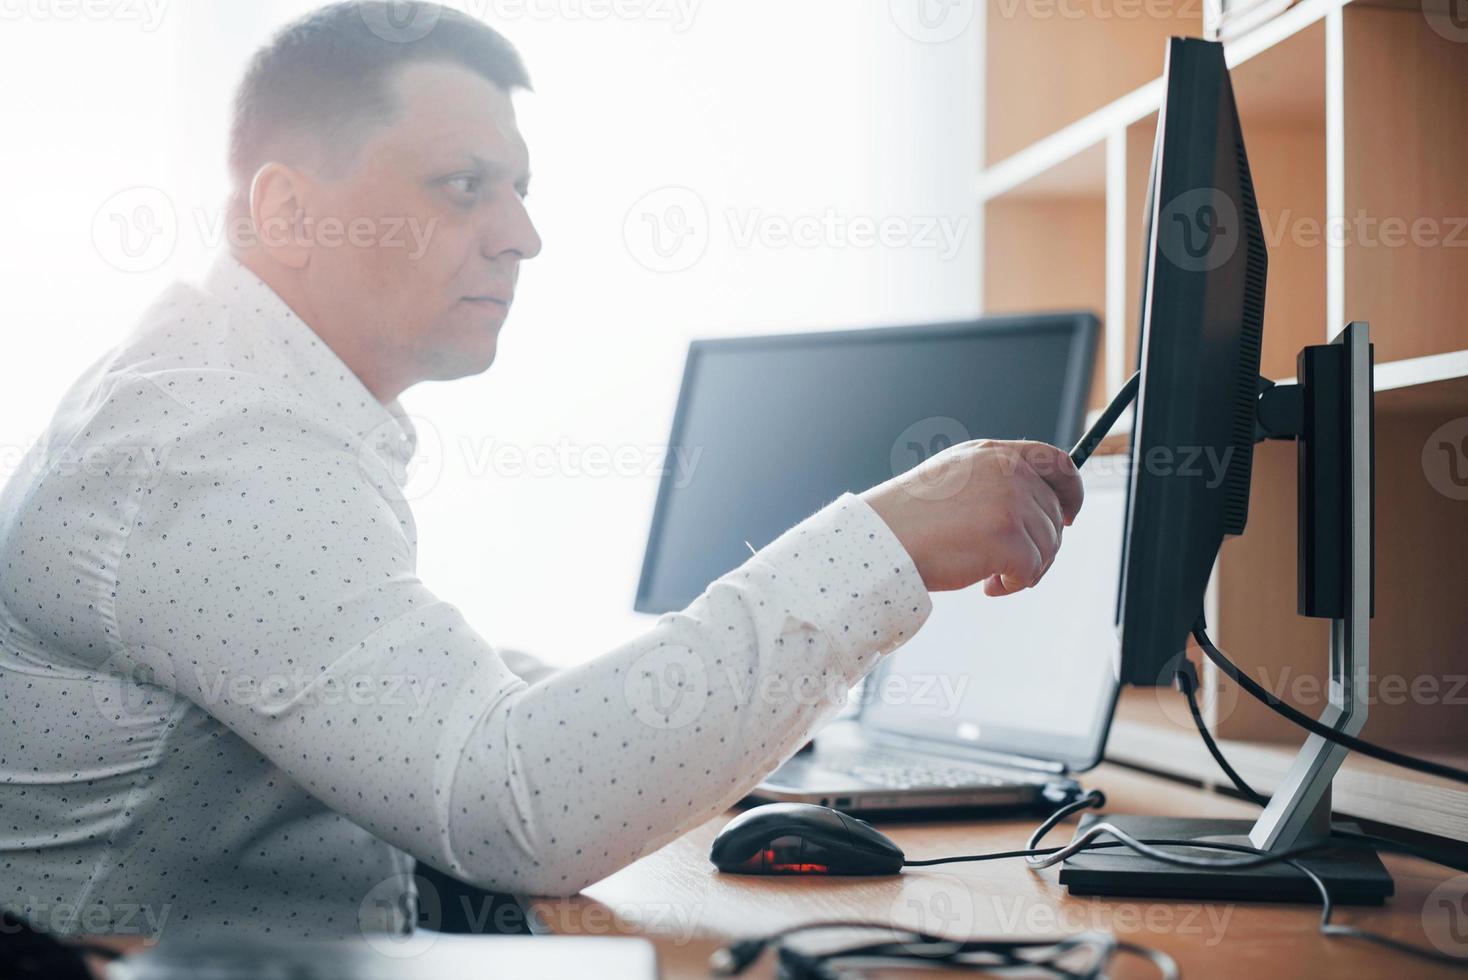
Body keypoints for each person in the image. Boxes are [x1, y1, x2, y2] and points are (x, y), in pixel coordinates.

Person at [0, 1, 1082, 942]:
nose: (520, 233)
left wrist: (701, 723)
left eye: (516, 188)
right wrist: (884, 542)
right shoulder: (215, 443)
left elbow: (408, 678)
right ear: (286, 211)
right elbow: (513, 808)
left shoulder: (239, 398)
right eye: (463, 185)